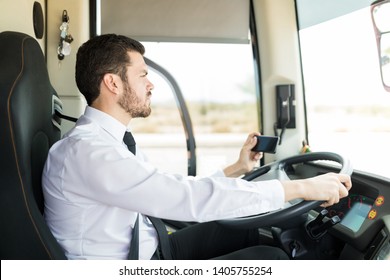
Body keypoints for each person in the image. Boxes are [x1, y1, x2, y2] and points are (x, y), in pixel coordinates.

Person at [42, 34, 352, 260]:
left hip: (154, 247)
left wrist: (237, 169)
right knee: (270, 261)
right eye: (142, 76)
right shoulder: (88, 153)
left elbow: (167, 189)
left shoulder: (111, 142)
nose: (151, 85)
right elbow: (182, 197)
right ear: (113, 83)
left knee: (240, 229)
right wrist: (300, 189)